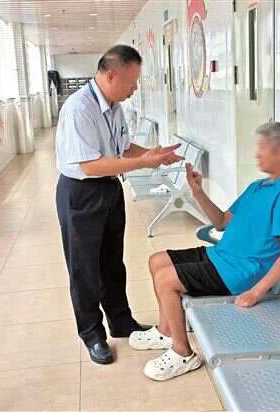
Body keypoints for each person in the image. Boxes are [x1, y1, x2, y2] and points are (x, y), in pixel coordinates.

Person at [129, 122, 280, 381]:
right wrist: (198, 192)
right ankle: (167, 331)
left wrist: (255, 292)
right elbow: (221, 221)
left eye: (262, 148)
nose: (257, 154)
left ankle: (183, 353)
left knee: (166, 280)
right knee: (157, 261)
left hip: (239, 272)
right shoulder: (258, 186)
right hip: (221, 256)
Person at [55, 45, 184, 365]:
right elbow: (90, 165)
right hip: (82, 194)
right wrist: (143, 162)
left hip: (110, 189)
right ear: (111, 75)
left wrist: (153, 155)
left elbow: (123, 147)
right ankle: (92, 334)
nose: (135, 88)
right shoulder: (79, 109)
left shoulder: (114, 107)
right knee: (85, 267)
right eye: (132, 81)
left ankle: (121, 321)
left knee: (112, 262)